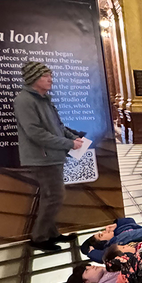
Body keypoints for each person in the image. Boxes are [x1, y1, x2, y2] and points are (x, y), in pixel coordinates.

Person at [13, 61, 85, 252]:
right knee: (54, 196)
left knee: (50, 196)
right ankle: (39, 237)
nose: (50, 79)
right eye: (46, 76)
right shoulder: (24, 100)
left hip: (52, 156)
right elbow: (35, 133)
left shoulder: (45, 99)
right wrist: (69, 144)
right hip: (41, 158)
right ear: (33, 78)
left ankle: (51, 233)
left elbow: (58, 127)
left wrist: (73, 137)